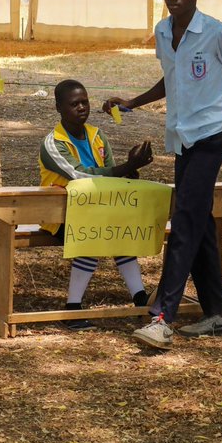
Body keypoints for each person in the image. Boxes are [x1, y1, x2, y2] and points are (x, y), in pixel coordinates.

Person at [103, 0, 222, 351]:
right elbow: (171, 79)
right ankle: (219, 313)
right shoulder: (161, 32)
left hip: (211, 136)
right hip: (182, 138)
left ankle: (162, 317)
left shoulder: (216, 32)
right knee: (199, 220)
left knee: (185, 221)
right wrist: (133, 101)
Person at [40, 80, 154, 330]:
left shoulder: (96, 135)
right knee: (91, 232)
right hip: (61, 215)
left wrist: (130, 170)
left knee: (119, 231)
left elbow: (112, 174)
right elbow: (81, 175)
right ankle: (72, 308)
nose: (81, 108)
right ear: (58, 107)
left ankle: (140, 297)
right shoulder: (52, 143)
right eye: (74, 104)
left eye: (85, 102)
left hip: (98, 209)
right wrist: (126, 167)